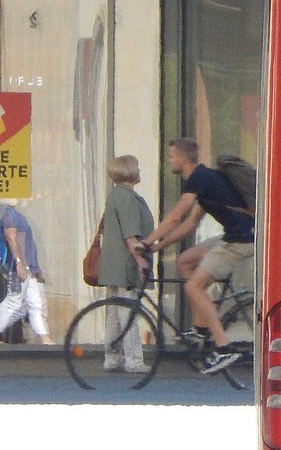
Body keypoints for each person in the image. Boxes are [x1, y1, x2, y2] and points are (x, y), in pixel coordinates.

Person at [141, 137, 253, 373]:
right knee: (185, 261)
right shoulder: (206, 181)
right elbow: (189, 225)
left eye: (171, 157)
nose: (170, 161)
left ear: (182, 158)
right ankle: (202, 331)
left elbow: (176, 216)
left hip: (241, 239)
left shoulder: (199, 179)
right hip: (235, 235)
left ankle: (224, 347)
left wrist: (147, 241)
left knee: (193, 287)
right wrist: (157, 247)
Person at [97, 155, 153, 372]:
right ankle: (134, 360)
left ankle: (112, 357)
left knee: (113, 312)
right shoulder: (128, 198)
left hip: (112, 263)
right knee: (127, 312)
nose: (140, 171)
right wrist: (140, 261)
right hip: (125, 264)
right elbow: (131, 236)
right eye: (137, 167)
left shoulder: (114, 196)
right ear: (130, 171)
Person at [0, 202, 53, 344]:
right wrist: (19, 263)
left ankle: (44, 337)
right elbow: (11, 238)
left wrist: (34, 268)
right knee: (14, 302)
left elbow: (23, 243)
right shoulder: (9, 213)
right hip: (19, 267)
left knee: (33, 304)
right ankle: (44, 337)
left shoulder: (14, 214)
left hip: (26, 267)